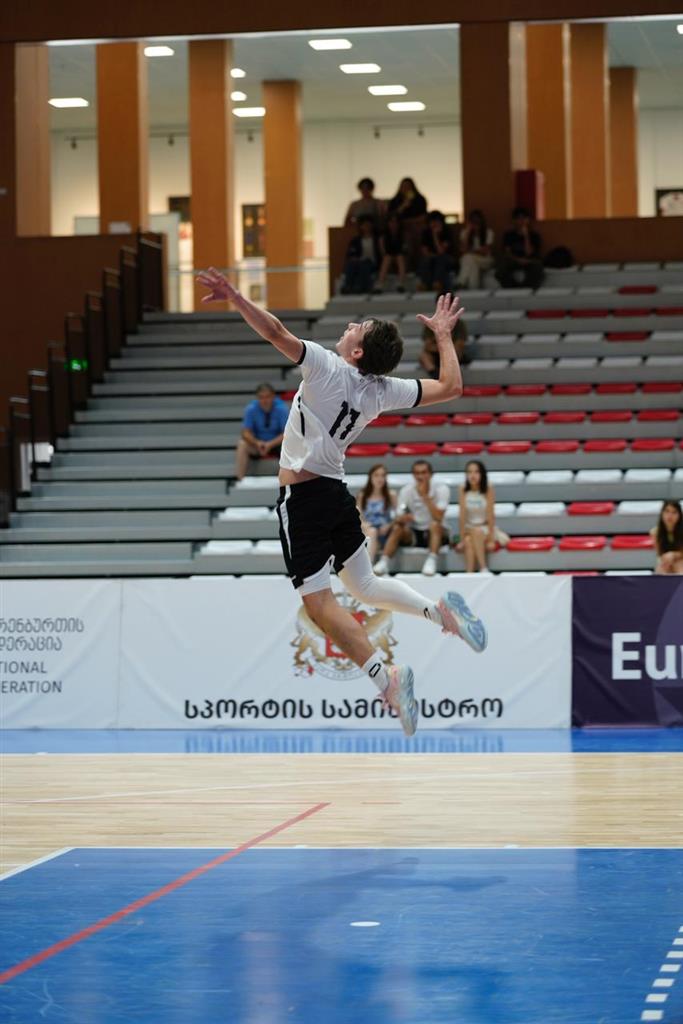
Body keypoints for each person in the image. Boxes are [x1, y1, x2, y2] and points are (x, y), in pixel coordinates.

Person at [198, 269, 488, 737]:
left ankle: (387, 680)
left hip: (303, 499)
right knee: (365, 586)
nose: (351, 325)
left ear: (356, 352)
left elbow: (275, 331)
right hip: (335, 493)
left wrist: (236, 296)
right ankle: (442, 614)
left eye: (358, 327)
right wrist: (442, 336)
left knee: (319, 605)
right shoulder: (383, 390)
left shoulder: (326, 367)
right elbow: (451, 387)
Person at [374, 460, 450, 578]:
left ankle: (432, 560)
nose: (420, 476)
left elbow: (439, 517)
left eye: (423, 472)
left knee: (435, 524)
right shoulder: (406, 490)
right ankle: (384, 561)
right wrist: (404, 518)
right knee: (398, 527)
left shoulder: (441, 489)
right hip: (415, 531)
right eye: (417, 473)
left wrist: (425, 496)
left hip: (436, 532)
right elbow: (399, 515)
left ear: (430, 474)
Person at [455, 460, 507, 574]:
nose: (472, 475)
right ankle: (470, 574)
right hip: (469, 528)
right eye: (469, 472)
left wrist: (491, 540)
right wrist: (461, 539)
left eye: (476, 472)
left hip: (485, 527)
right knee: (467, 540)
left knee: (476, 532)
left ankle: (483, 568)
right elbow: (462, 515)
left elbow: (490, 514)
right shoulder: (462, 488)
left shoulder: (488, 488)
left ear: (482, 474)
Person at [236, 383, 290, 481]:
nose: (265, 400)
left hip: (278, 444)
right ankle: (240, 480)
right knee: (242, 444)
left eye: (267, 397)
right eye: (261, 397)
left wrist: (270, 444)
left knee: (291, 444)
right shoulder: (251, 409)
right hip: (258, 444)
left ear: (273, 396)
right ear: (257, 398)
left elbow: (287, 433)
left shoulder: (282, 409)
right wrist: (257, 443)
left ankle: (289, 480)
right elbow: (245, 433)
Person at [357, 464, 397, 563]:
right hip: (368, 530)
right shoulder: (362, 495)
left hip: (384, 531)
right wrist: (364, 524)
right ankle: (369, 565)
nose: (380, 478)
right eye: (376, 475)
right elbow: (358, 517)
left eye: (383, 475)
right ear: (370, 477)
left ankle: (367, 565)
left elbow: (397, 516)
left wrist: (389, 526)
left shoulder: (391, 495)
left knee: (374, 532)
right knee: (372, 531)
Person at [497, 207, 544, 290]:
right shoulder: (509, 235)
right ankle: (513, 288)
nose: (522, 221)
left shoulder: (534, 236)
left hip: (529, 260)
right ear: (514, 220)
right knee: (501, 268)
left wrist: (526, 236)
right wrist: (518, 260)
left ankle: (526, 289)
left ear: (528, 220)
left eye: (524, 218)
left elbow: (529, 253)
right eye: (519, 218)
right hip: (514, 260)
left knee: (538, 267)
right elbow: (507, 253)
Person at [418, 211, 455, 293]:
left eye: (437, 221)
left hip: (446, 258)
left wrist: (435, 236)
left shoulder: (447, 232)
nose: (434, 224)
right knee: (425, 260)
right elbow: (424, 251)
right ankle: (425, 284)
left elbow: (441, 251)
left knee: (441, 259)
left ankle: (437, 282)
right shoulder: (426, 233)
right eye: (432, 221)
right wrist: (432, 255)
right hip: (431, 257)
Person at [341, 216, 380, 295]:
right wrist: (355, 258)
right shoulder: (356, 240)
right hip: (359, 261)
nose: (367, 227)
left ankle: (360, 287)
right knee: (351, 264)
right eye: (365, 225)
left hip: (372, 262)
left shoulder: (377, 239)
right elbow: (350, 253)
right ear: (361, 227)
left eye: (368, 225)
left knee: (365, 264)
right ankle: (347, 286)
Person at [457, 210, 494, 290]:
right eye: (473, 222)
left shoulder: (488, 232)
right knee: (472, 264)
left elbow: (485, 252)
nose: (476, 224)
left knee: (468, 257)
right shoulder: (464, 232)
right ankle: (473, 289)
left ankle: (461, 282)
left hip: (485, 260)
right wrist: (468, 232)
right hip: (471, 261)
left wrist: (469, 251)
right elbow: (462, 250)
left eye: (477, 222)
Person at [374, 212, 407, 293]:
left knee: (400, 257)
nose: (393, 224)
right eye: (391, 222)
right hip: (387, 258)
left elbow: (405, 250)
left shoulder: (403, 235)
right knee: (387, 258)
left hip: (401, 258)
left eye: (395, 222)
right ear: (388, 223)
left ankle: (401, 283)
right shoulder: (383, 236)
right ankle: (380, 284)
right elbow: (383, 252)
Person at [651, 500, 683, 575]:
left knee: (680, 567)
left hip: (681, 560)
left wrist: (673, 555)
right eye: (667, 511)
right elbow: (660, 554)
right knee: (660, 570)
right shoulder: (655, 532)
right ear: (662, 513)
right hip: (666, 562)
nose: (670, 515)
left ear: (680, 515)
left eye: (674, 512)